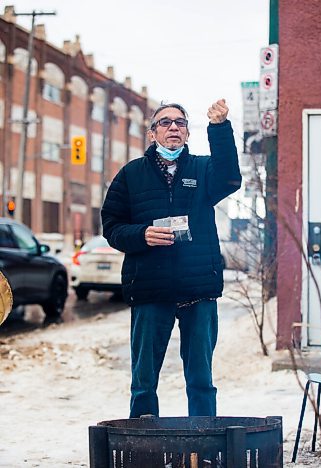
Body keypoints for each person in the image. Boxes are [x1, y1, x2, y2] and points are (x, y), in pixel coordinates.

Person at [101, 99, 241, 418]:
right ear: (153, 134)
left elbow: (231, 178)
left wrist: (219, 127)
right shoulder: (131, 175)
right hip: (150, 288)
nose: (173, 127)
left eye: (180, 122)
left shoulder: (204, 170)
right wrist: (142, 235)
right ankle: (143, 450)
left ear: (188, 133)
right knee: (144, 382)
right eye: (165, 122)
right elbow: (111, 226)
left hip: (198, 289)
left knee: (201, 380)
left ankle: (203, 450)